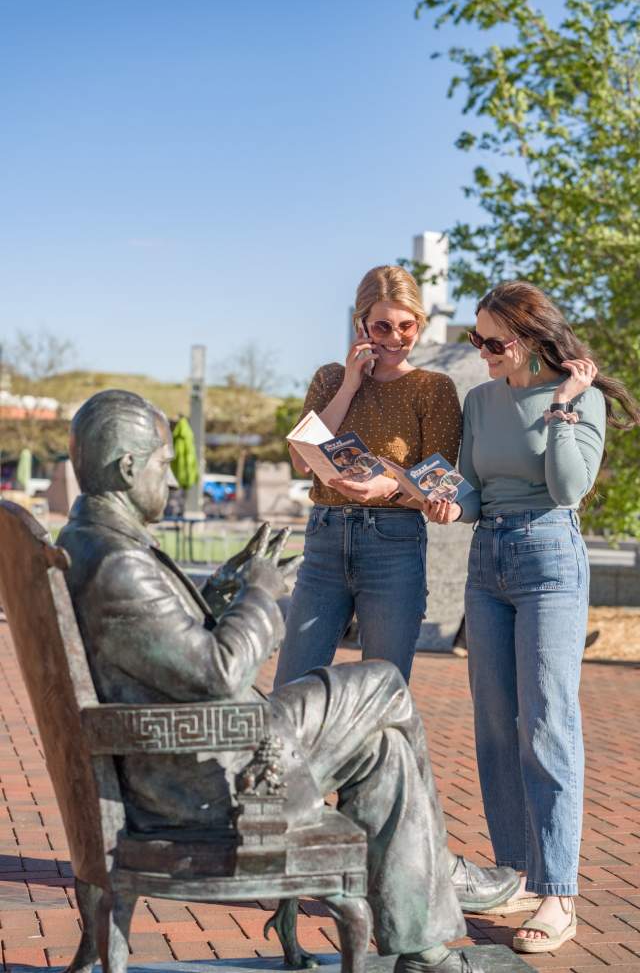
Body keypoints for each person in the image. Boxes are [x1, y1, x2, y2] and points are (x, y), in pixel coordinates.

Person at [58, 389, 519, 973]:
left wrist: (222, 590)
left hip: (193, 751)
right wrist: (259, 593)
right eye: (163, 466)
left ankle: (423, 946)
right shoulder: (117, 563)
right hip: (215, 773)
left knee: (386, 748)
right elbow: (221, 672)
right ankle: (442, 879)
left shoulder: (89, 541)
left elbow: (158, 645)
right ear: (128, 468)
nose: (173, 482)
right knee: (383, 685)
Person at [424, 281, 640, 955]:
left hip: (550, 555)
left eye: (494, 342)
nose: (483, 352)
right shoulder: (481, 400)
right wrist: (434, 499)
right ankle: (515, 872)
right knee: (494, 721)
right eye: (475, 339)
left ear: (532, 339)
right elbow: (470, 487)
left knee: (547, 721)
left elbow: (569, 486)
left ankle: (558, 893)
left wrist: (566, 407)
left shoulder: (586, 398)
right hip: (487, 560)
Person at [276, 264, 462, 686]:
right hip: (324, 540)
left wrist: (391, 486)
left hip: (393, 543)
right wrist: (349, 385)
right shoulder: (329, 378)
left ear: (419, 324)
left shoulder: (433, 388)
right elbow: (302, 462)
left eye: (406, 326)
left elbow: (440, 484)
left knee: (381, 690)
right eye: (382, 326)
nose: (395, 338)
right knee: (292, 687)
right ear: (361, 324)